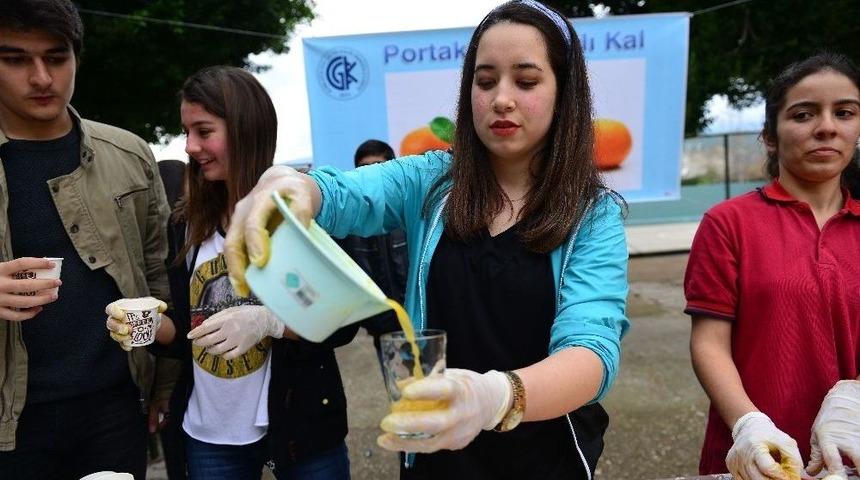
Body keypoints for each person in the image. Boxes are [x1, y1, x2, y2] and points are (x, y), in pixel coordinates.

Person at [224, 1, 629, 478]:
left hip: (544, 456)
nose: (501, 98)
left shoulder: (593, 214)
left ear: (565, 93)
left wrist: (493, 396)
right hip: (435, 452)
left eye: (526, 81)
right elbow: (350, 193)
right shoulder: (434, 182)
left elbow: (591, 352)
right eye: (484, 81)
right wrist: (298, 188)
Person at [0, 1, 177, 478]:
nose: (41, 77)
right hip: (9, 424)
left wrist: (162, 387)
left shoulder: (129, 154)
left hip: (114, 409)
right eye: (14, 59)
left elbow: (159, 278)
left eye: (56, 57)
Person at [163, 66, 355, 480]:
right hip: (209, 434)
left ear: (245, 130)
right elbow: (186, 333)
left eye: (204, 131)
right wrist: (146, 326)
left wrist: (270, 322)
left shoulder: (298, 210)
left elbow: (343, 321)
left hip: (299, 427)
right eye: (187, 132)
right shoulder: (185, 223)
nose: (190, 146)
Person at [685, 52, 860, 480]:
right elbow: (710, 344)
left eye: (845, 112)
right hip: (752, 461)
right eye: (803, 114)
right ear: (769, 135)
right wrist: (749, 425)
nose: (826, 127)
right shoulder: (729, 223)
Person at [335, 139, 408, 372]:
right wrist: (374, 322)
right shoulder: (349, 226)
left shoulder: (413, 213)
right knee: (404, 400)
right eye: (364, 169)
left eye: (379, 167)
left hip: (427, 325)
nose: (372, 176)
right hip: (385, 334)